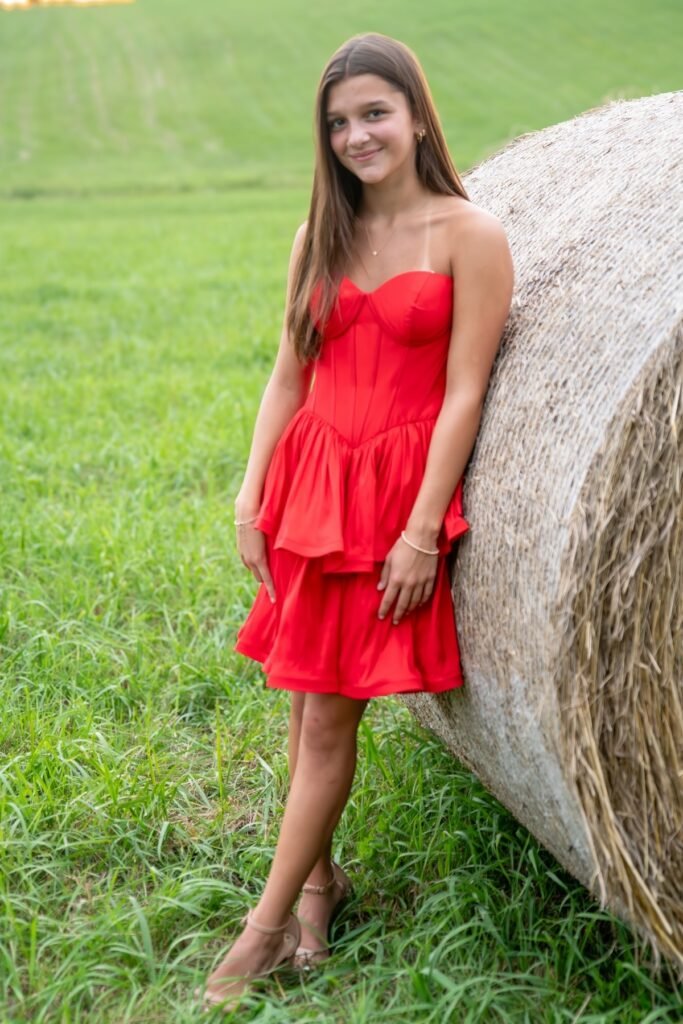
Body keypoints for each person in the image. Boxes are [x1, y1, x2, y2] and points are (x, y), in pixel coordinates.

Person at [198, 31, 514, 1012]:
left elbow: (463, 394)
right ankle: (318, 888)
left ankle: (262, 928)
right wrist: (251, 494)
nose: (355, 136)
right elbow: (287, 374)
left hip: (388, 502)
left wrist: (421, 531)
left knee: (328, 718)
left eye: (374, 113)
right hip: (309, 487)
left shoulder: (469, 234)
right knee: (303, 705)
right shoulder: (319, 235)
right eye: (337, 122)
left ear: (416, 115)